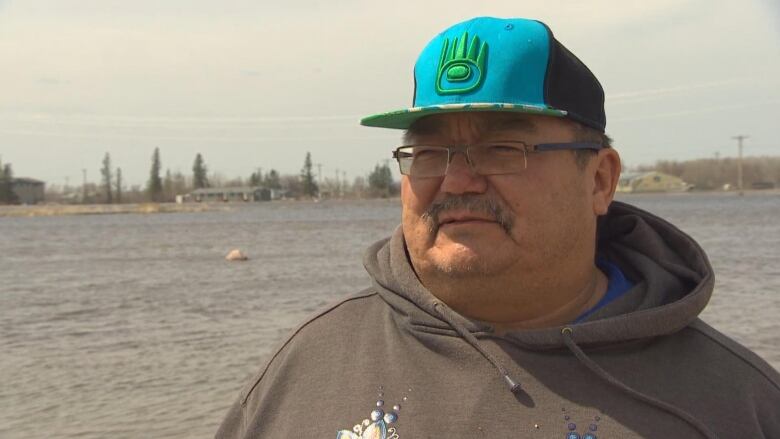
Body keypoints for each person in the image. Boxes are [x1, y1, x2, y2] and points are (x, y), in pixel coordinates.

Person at [216, 17, 779, 439]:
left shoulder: (735, 406)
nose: (458, 180)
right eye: (430, 151)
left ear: (600, 181)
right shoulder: (308, 365)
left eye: (503, 148)